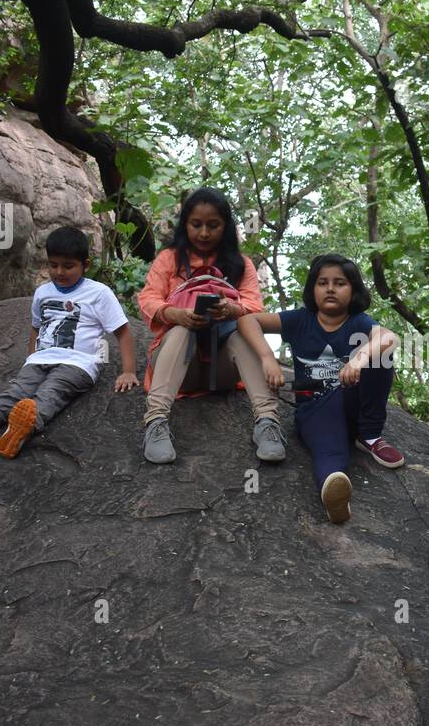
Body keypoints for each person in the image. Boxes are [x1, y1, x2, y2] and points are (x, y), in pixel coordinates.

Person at [0, 226, 138, 458]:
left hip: (78, 364)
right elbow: (37, 327)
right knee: (16, 391)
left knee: (50, 393)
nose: (59, 272)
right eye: (53, 265)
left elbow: (122, 331)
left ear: (86, 265)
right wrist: (31, 359)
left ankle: (23, 429)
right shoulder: (43, 293)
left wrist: (128, 371)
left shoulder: (98, 293)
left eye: (68, 266)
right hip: (40, 360)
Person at [237, 253, 404, 524]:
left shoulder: (358, 322)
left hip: (352, 403)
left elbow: (389, 337)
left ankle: (370, 436)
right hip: (315, 409)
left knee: (381, 356)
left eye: (340, 283)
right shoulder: (300, 320)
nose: (330, 288)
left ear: (353, 290)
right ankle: (333, 489)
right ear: (312, 289)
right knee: (329, 449)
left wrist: (359, 360)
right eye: (322, 282)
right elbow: (247, 321)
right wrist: (268, 359)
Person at [136, 187, 285, 464]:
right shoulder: (169, 259)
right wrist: (174, 314)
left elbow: (255, 310)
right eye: (196, 225)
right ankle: (155, 421)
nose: (203, 233)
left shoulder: (242, 265)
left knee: (244, 329)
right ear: (185, 225)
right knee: (182, 330)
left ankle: (267, 421)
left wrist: (231, 310)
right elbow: (147, 299)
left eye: (213, 225)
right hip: (182, 370)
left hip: (223, 371)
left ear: (225, 227)